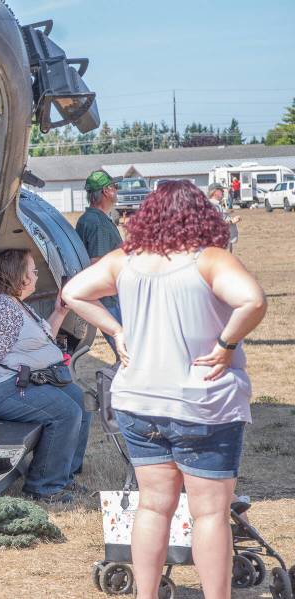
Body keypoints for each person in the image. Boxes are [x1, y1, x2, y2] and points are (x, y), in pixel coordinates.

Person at [63, 180, 266, 599]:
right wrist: (226, 344)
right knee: (210, 513)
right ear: (201, 215)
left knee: (154, 505)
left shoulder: (126, 259)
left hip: (138, 401)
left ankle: (147, 594)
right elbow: (253, 300)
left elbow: (73, 292)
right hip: (203, 403)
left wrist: (116, 330)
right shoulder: (210, 259)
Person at [0, 249, 90, 504]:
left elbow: (43, 339)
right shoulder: (1, 306)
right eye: (33, 270)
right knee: (65, 412)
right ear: (19, 275)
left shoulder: (17, 305)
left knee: (80, 402)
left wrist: (60, 312)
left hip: (19, 380)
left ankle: (63, 475)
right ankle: (44, 487)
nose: (36, 275)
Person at [74, 170, 123, 353]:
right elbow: (98, 262)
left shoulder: (91, 218)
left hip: (106, 298)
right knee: (127, 349)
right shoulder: (97, 223)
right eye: (114, 186)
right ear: (106, 191)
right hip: (108, 300)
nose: (117, 190)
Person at [208, 184, 240, 252]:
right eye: (221, 190)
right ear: (215, 192)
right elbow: (215, 224)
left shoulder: (216, 204)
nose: (223, 191)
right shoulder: (213, 205)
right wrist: (232, 221)